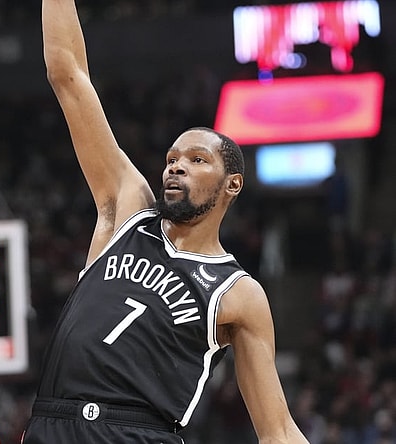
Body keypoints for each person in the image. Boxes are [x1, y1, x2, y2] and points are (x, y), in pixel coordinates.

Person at [21, 1, 311, 443]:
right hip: (51, 423)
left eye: (197, 160)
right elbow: (68, 74)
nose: (176, 167)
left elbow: (277, 430)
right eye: (172, 158)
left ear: (232, 185)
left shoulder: (238, 292)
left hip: (139, 433)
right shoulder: (127, 211)